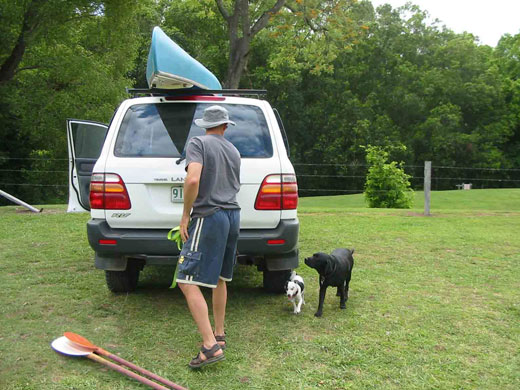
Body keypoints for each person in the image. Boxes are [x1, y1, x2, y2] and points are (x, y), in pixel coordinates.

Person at [176, 105, 241, 369]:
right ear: (225, 126)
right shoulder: (234, 150)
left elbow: (193, 181)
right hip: (232, 216)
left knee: (186, 280)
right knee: (219, 278)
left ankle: (209, 346)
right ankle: (220, 334)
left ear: (205, 126)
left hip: (209, 216)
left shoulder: (198, 142)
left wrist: (185, 215)